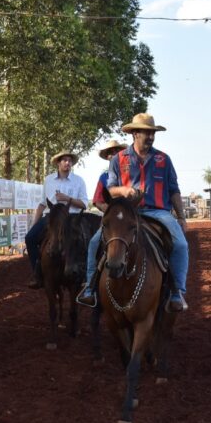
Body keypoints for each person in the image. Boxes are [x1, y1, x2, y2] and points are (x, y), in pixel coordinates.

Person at [83, 112, 190, 312]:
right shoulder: (118, 159)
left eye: (152, 133)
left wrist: (182, 216)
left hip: (159, 212)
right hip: (128, 213)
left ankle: (177, 292)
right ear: (134, 134)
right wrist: (123, 190)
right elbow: (111, 189)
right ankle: (89, 287)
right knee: (94, 242)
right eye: (145, 133)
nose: (150, 137)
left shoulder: (164, 159)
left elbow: (174, 190)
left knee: (181, 244)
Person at [25, 150, 88, 289]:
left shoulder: (79, 181)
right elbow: (42, 203)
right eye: (64, 160)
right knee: (30, 238)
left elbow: (84, 204)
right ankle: (37, 273)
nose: (67, 163)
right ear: (58, 163)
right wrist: (34, 224)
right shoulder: (48, 180)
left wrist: (67, 198)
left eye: (69, 160)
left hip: (71, 217)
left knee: (86, 241)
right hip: (51, 217)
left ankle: (85, 275)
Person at [77, 139, 128, 306]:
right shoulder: (104, 177)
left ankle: (170, 287)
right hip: (112, 221)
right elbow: (97, 201)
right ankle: (90, 287)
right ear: (107, 157)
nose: (113, 154)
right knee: (93, 244)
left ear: (122, 153)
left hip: (131, 219)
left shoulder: (131, 173)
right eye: (110, 153)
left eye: (116, 151)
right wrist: (112, 213)